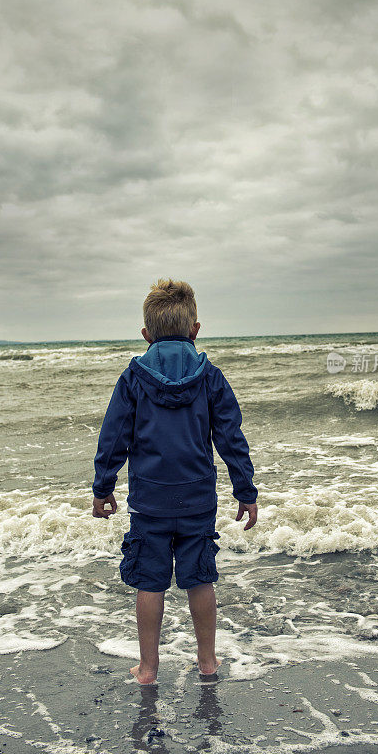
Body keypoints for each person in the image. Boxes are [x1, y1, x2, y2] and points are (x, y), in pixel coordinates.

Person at [91, 278, 258, 684]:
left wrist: (103, 486)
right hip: (198, 498)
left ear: (146, 335)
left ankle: (148, 668)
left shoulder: (133, 378)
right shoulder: (210, 376)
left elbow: (114, 436)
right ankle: (207, 662)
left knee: (150, 583)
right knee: (200, 579)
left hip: (150, 500)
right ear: (195, 329)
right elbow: (230, 437)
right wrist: (245, 490)